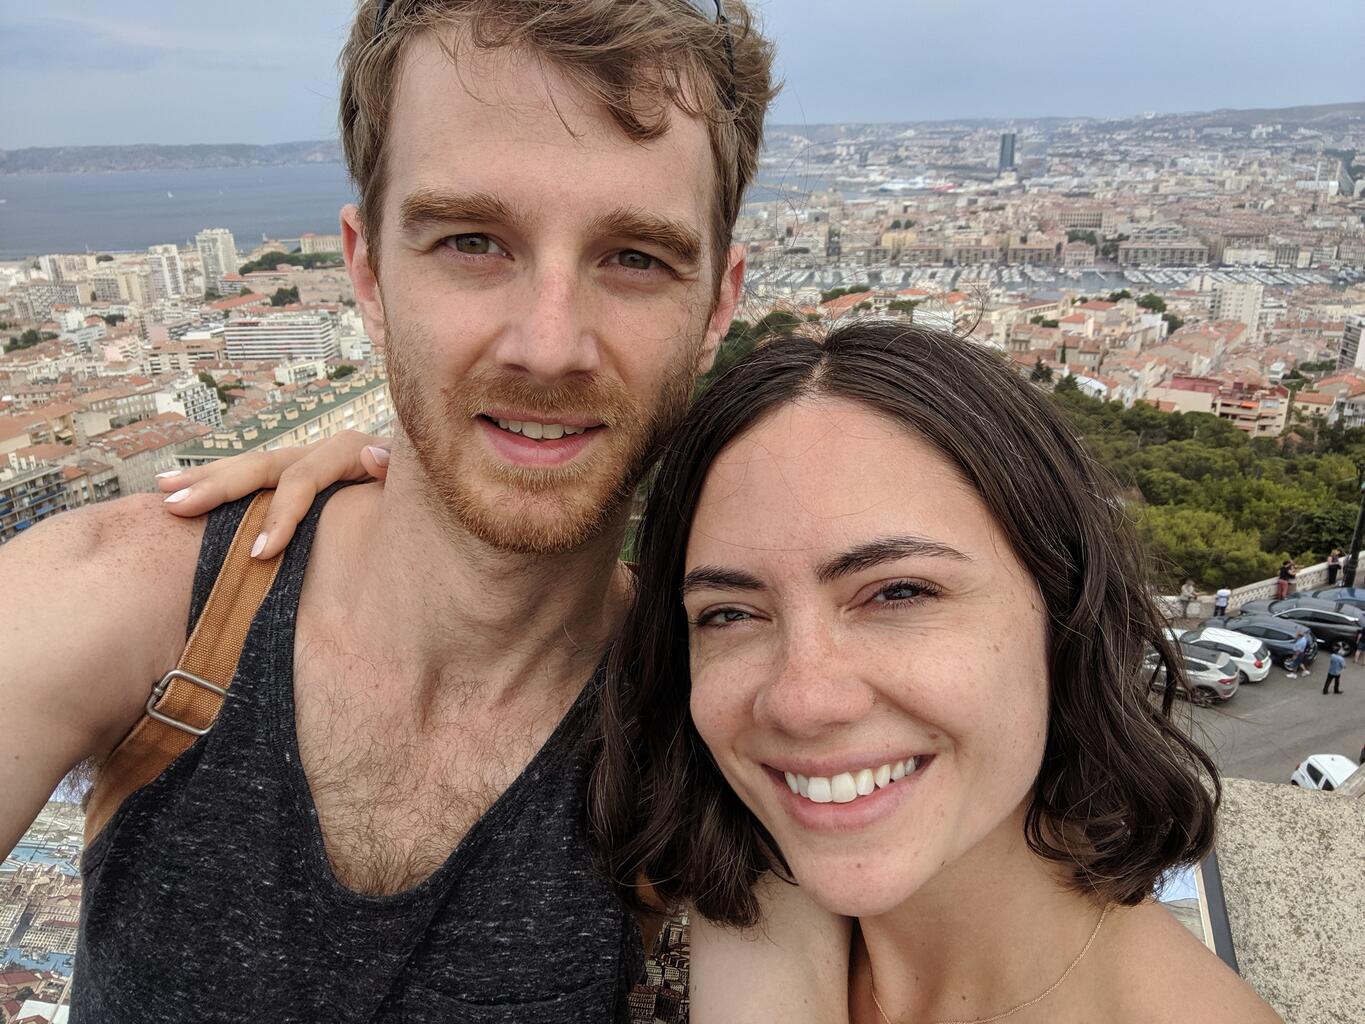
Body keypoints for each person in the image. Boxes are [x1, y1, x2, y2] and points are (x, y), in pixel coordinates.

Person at [0, 3, 816, 1021]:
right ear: (369, 271)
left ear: (719, 306)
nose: (549, 344)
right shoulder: (138, 607)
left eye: (636, 258)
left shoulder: (722, 725)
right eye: (473, 240)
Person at [184, 323, 1281, 1023]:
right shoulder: (768, 889)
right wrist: (399, 492)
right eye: (731, 613)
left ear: (1063, 606)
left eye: (897, 592)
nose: (801, 696)